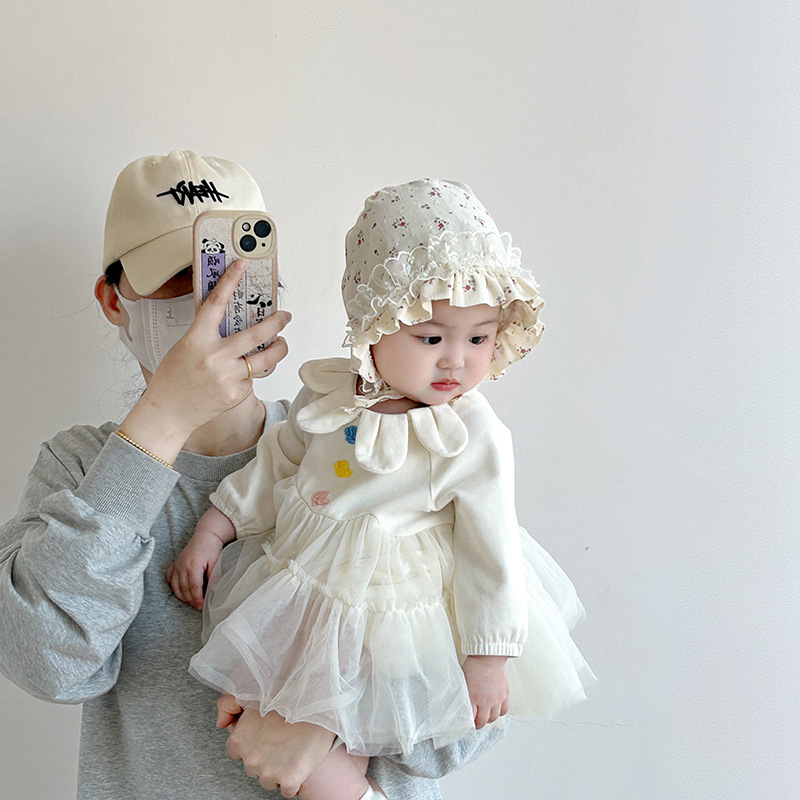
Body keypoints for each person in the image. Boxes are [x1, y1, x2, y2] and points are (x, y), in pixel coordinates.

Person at [0, 154, 506, 800]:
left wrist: (320, 722)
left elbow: (472, 723)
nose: (210, 298)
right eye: (178, 278)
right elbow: (49, 665)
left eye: (231, 271)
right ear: (113, 301)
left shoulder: (361, 443)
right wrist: (163, 418)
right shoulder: (81, 469)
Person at [168, 179, 595, 800]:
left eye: (479, 338)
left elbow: (491, 547)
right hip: (308, 590)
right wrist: (215, 528)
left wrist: (488, 654)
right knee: (256, 711)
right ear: (375, 325)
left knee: (315, 734)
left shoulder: (469, 433)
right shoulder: (329, 394)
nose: (457, 361)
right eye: (432, 338)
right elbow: (278, 464)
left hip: (395, 612)